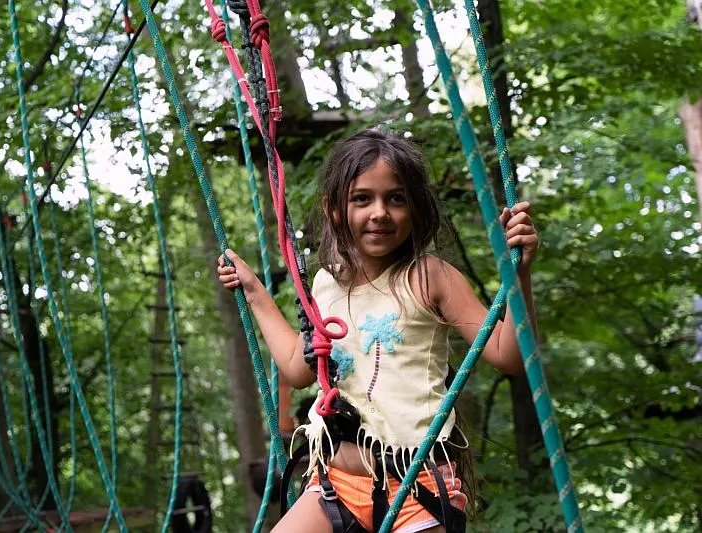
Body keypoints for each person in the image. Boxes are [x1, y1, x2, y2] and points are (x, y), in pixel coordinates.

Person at [218, 129, 539, 533]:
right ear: (334, 209)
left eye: (396, 198)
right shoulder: (326, 284)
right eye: (362, 198)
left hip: (417, 487)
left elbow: (508, 356)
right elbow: (299, 370)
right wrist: (256, 294)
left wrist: (519, 275)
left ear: (415, 209)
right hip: (335, 485)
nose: (380, 212)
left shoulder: (429, 277)